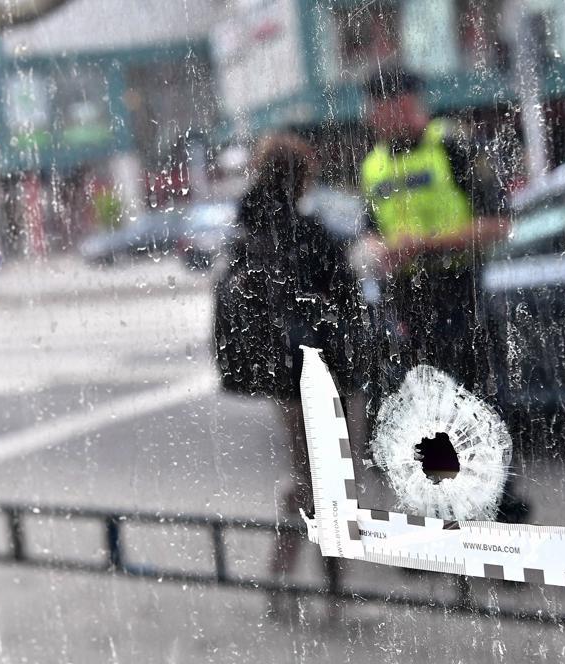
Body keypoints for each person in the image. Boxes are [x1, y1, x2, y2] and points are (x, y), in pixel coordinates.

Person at [357, 64, 529, 521]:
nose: (376, 117)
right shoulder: (373, 163)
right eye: (373, 109)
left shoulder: (452, 146)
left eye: (383, 106)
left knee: (478, 403)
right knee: (423, 410)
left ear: (408, 103)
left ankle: (494, 508)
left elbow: (499, 223)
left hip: (459, 294)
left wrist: (425, 244)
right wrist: (377, 250)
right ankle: (442, 513)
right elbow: (370, 229)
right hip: (406, 300)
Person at [211, 133, 365, 616]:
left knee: (310, 476)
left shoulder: (248, 230)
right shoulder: (312, 234)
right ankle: (325, 591)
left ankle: (287, 585)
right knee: (329, 480)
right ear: (303, 178)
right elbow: (346, 304)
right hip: (324, 370)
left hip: (283, 375)